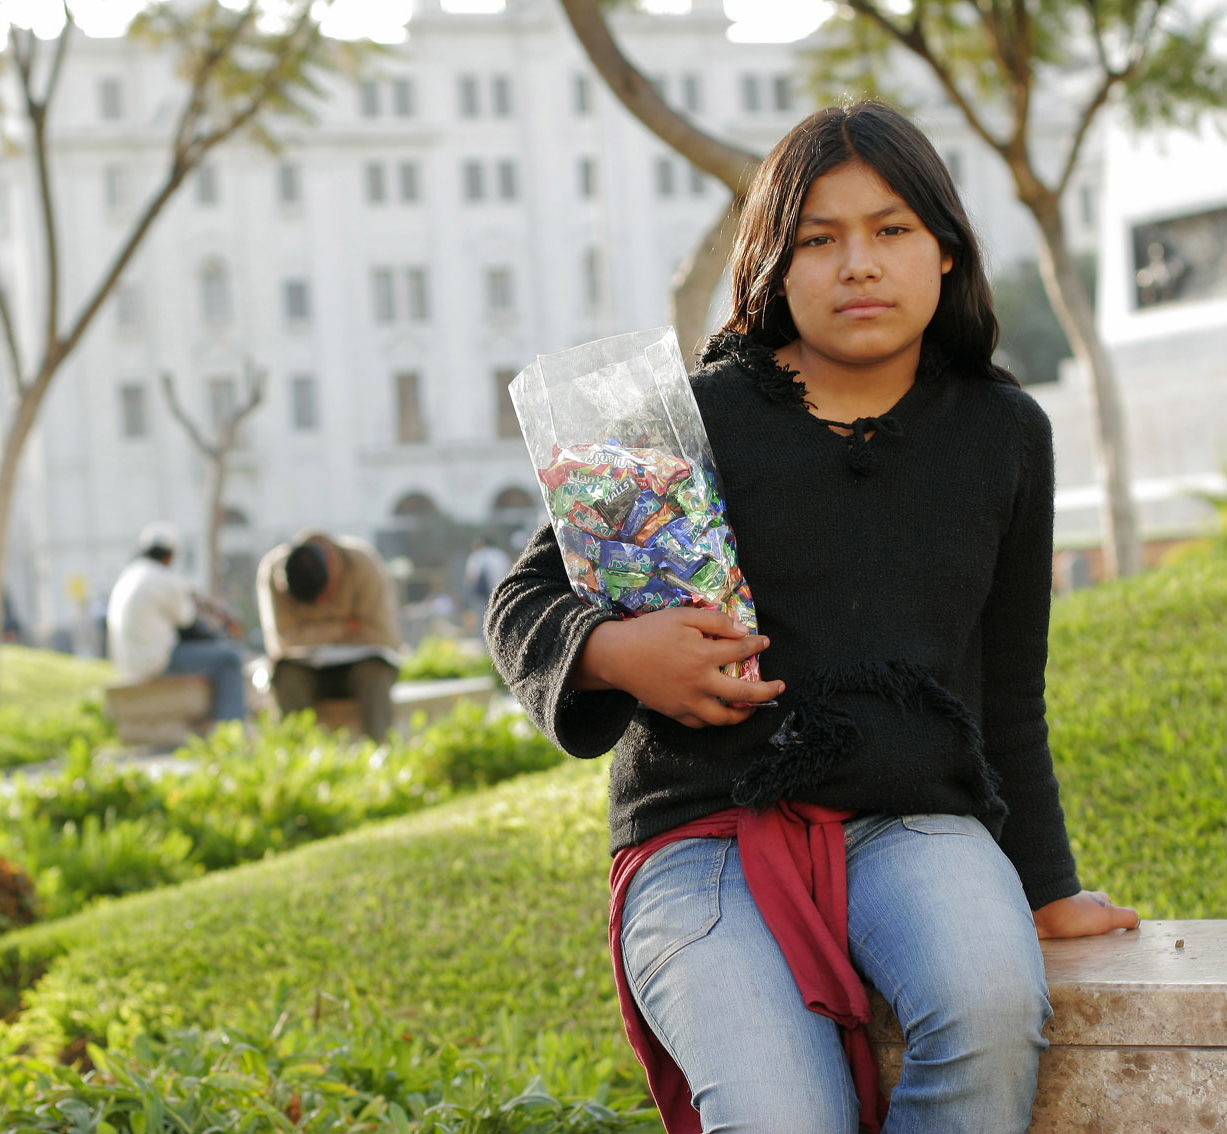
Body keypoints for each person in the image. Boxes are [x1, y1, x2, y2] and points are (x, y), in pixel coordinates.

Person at [485, 101, 1138, 1134]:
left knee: (994, 1010)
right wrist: (614, 652)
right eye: (818, 240)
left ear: (949, 253)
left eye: (891, 231)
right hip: (702, 832)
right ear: (774, 268)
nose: (858, 264)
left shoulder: (1006, 433)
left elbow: (1009, 691)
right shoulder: (681, 420)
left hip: (919, 821)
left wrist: (1047, 888)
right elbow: (522, 605)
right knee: (783, 1115)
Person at [257, 529, 401, 739]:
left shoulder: (363, 563)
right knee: (285, 674)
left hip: (359, 666)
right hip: (305, 669)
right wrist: (345, 627)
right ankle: (295, 759)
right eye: (312, 602)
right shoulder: (273, 570)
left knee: (375, 671)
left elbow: (383, 636)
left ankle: (379, 754)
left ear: (333, 563)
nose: (321, 604)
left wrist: (311, 631)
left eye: (324, 594)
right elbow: (284, 640)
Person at [105, 522, 247, 723]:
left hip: (128, 663)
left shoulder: (129, 576)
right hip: (155, 661)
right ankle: (230, 727)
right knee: (229, 658)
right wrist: (219, 638)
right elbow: (190, 626)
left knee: (216, 653)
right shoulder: (162, 578)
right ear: (169, 556)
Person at [462, 535, 511, 621]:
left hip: (483, 593)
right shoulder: (501, 555)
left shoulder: (477, 556)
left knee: (482, 615)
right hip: (502, 590)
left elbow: (472, 578)